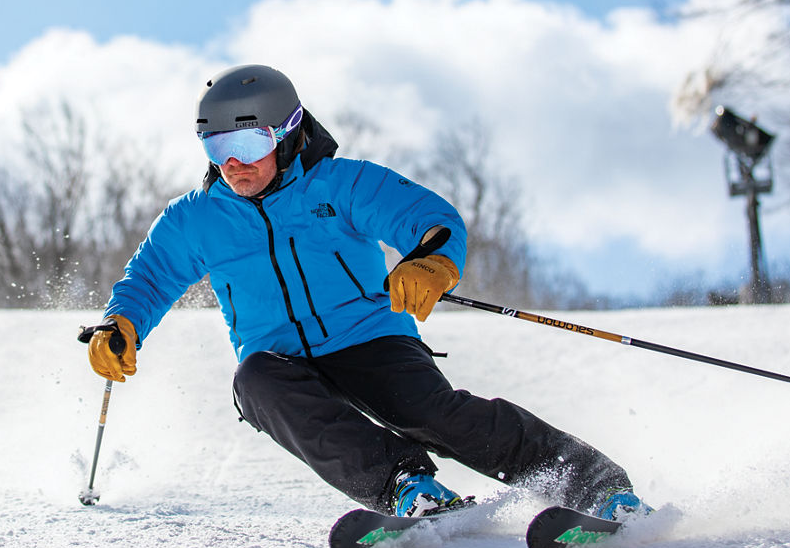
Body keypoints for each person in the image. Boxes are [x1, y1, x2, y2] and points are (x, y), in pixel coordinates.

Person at [86, 64, 647, 521]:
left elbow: (430, 219)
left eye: (247, 141)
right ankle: (408, 487)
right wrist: (122, 324)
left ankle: (595, 485)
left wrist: (428, 263)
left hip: (370, 338)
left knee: (426, 410)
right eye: (216, 146)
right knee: (253, 380)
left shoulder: (340, 183)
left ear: (285, 132)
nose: (233, 164)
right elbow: (150, 277)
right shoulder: (197, 218)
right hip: (280, 358)